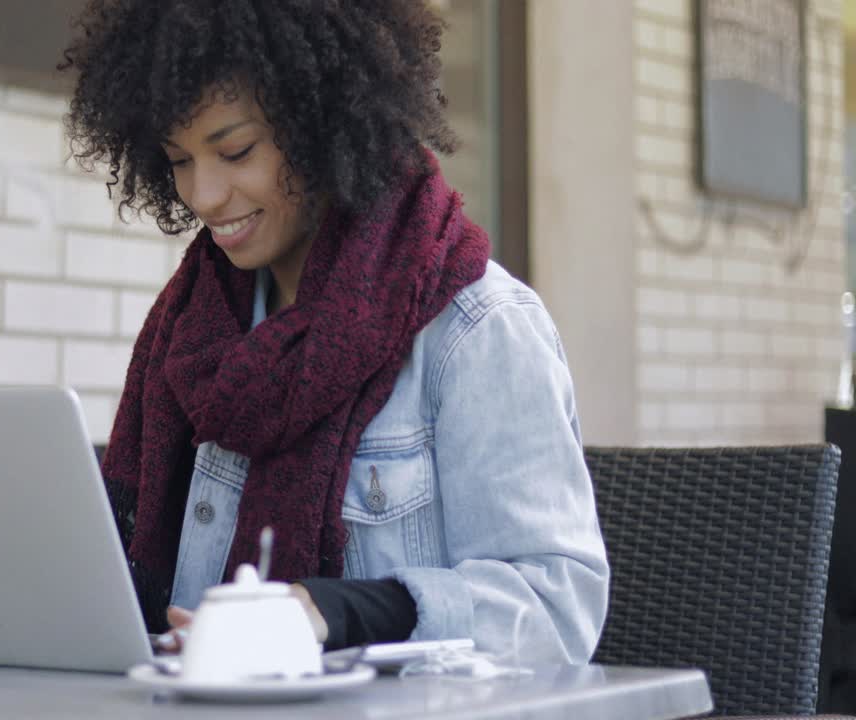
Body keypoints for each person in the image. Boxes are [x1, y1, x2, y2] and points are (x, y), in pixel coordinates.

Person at [61, 0, 609, 664]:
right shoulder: (191, 335)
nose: (203, 195)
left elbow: (556, 611)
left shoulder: (477, 331)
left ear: (322, 124)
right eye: (179, 160)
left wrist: (341, 613)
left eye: (235, 151)